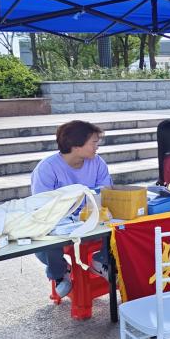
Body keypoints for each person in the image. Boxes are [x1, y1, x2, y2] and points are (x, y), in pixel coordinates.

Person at [30, 120, 112, 297]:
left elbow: (105, 191)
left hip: (92, 216)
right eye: (93, 143)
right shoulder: (47, 168)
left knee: (120, 225)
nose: (97, 147)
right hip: (59, 220)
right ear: (76, 145)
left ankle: (101, 261)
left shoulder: (97, 162)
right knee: (46, 239)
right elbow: (41, 205)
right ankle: (60, 273)